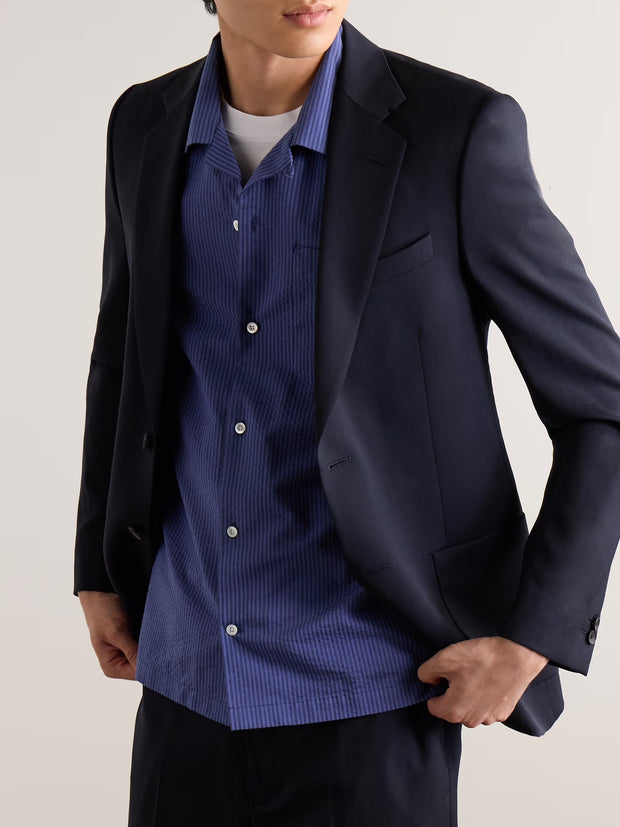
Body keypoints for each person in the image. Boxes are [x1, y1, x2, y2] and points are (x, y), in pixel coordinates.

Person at [74, 1, 620, 824]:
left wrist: (532, 637)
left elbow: (601, 410)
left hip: (373, 695)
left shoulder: (455, 131)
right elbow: (122, 359)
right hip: (186, 684)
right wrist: (97, 563)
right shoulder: (142, 122)